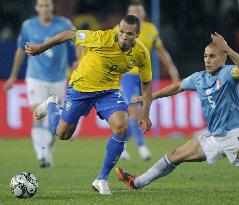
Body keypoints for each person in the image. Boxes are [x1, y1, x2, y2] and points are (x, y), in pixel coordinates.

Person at [116, 32, 239, 191]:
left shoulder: (228, 74)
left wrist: (227, 48)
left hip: (235, 135)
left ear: (223, 59)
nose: (208, 60)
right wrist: (152, 97)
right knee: (175, 155)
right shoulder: (198, 78)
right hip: (215, 136)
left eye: (213, 56)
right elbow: (177, 87)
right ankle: (136, 182)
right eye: (206, 56)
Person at [24, 15, 153, 195]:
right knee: (62, 134)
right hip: (81, 88)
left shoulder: (141, 53)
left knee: (121, 127)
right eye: (121, 31)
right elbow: (68, 34)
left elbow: (146, 83)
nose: (124, 36)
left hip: (108, 91)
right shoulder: (101, 38)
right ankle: (52, 104)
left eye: (129, 33)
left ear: (137, 34)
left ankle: (101, 179)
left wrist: (145, 114)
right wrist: (40, 48)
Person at [4, 0, 80, 168]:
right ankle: (41, 155)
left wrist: (79, 60)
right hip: (36, 78)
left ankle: (47, 153)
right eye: (41, 5)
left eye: (47, 5)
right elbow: (20, 50)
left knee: (57, 121)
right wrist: (13, 76)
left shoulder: (64, 23)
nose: (44, 8)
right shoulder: (28, 26)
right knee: (38, 116)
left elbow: (78, 41)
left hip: (59, 78)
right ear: (36, 8)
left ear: (52, 7)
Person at [115, 0, 179, 161]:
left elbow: (161, 51)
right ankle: (141, 145)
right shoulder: (120, 29)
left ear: (143, 14)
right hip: (127, 75)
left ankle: (121, 145)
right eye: (132, 11)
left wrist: (172, 69)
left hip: (145, 76)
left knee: (138, 112)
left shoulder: (151, 29)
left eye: (138, 10)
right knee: (134, 111)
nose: (135, 13)